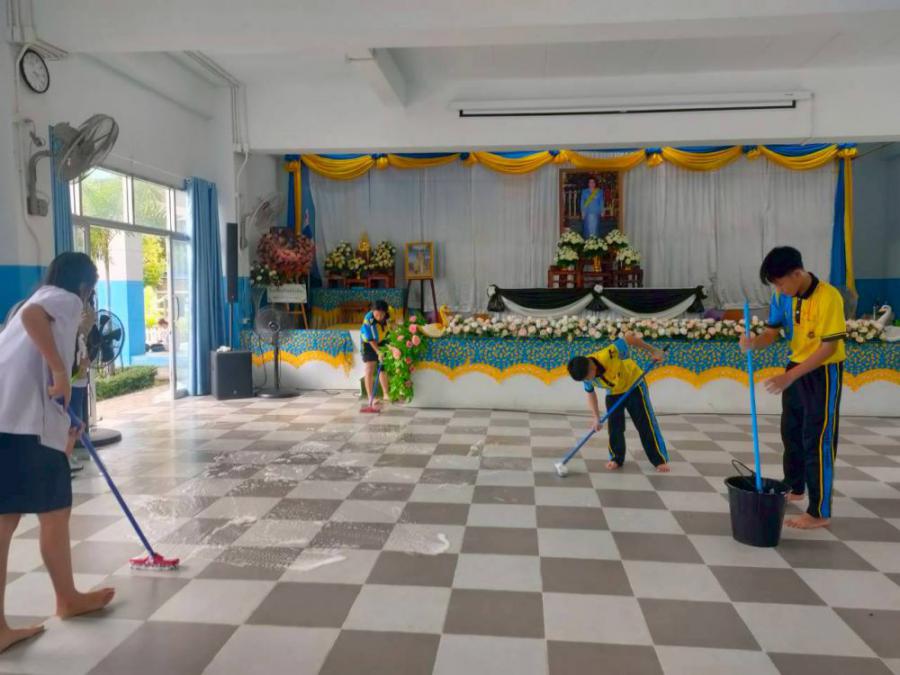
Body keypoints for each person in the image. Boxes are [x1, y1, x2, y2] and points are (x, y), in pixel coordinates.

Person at [0, 252, 115, 653]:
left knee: (12, 519)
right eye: (91, 293)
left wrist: (63, 424)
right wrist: (62, 372)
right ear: (85, 287)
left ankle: (54, 603)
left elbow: (29, 366)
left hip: (12, 422)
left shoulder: (31, 302)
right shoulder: (62, 300)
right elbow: (36, 321)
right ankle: (66, 599)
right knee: (53, 512)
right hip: (25, 427)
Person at [740, 246, 846, 530]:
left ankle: (820, 511)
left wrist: (790, 377)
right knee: (792, 432)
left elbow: (828, 348)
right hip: (795, 367)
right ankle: (795, 487)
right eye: (774, 284)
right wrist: (754, 342)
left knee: (818, 438)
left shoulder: (828, 297)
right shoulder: (781, 296)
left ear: (797, 273)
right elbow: (772, 333)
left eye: (780, 282)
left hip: (823, 372)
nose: (778, 289)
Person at [567, 333, 669, 472]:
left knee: (645, 423)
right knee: (615, 427)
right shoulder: (585, 376)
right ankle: (616, 458)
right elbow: (590, 393)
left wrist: (653, 350)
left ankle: (659, 460)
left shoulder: (608, 354)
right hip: (614, 391)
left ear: (592, 367)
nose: (587, 380)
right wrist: (596, 417)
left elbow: (629, 337)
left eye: (587, 377)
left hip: (634, 384)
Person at [360, 300, 391, 409]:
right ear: (372, 311)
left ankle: (386, 394)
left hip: (382, 340)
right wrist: (378, 352)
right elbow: (370, 339)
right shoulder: (368, 320)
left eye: (381, 314)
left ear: (385, 312)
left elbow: (390, 328)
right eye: (376, 314)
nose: (379, 317)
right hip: (368, 343)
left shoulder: (388, 315)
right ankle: (371, 397)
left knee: (382, 367)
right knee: (370, 367)